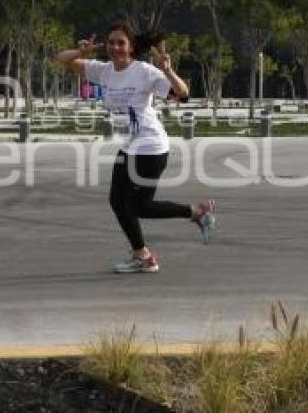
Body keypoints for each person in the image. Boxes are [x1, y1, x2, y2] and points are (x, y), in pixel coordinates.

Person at [56, 22, 218, 273]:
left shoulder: (144, 71)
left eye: (121, 42)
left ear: (131, 47)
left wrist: (168, 70)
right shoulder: (103, 71)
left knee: (135, 207)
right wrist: (82, 51)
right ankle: (146, 251)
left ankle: (192, 216)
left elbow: (182, 95)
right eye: (111, 42)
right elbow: (62, 59)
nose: (115, 47)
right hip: (131, 146)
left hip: (151, 147)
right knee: (120, 203)